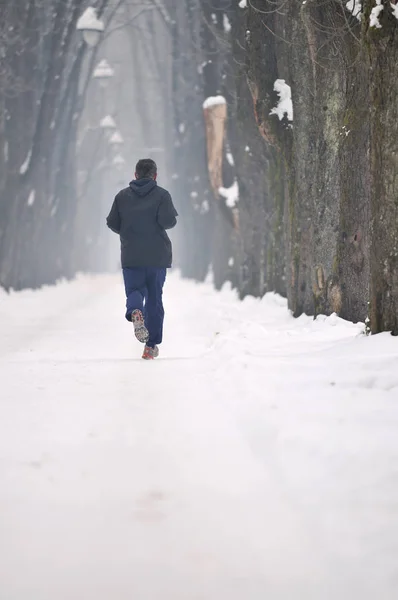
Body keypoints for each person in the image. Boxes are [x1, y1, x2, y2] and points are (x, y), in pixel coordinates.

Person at [106, 158, 178, 360]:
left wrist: (129, 231)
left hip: (132, 255)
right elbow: (168, 221)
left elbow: (112, 223)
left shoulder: (122, 197)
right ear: (155, 176)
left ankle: (136, 310)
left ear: (135, 175)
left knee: (135, 291)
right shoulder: (162, 195)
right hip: (157, 256)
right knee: (155, 298)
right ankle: (150, 346)